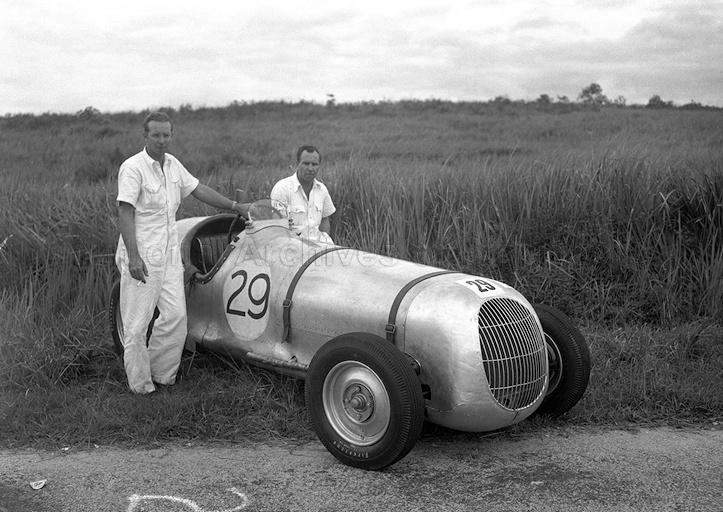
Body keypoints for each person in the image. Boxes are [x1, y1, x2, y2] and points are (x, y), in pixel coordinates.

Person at [115, 111, 248, 394]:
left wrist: (235, 206)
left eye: (166, 135)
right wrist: (134, 257)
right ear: (145, 135)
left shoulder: (173, 165)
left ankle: (161, 375)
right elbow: (125, 214)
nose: (162, 140)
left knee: (176, 317)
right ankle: (140, 387)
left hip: (169, 251)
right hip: (142, 251)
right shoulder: (133, 167)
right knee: (137, 323)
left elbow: (199, 190)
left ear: (171, 135)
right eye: (156, 135)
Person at [270, 145, 336, 243]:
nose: (310, 168)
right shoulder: (282, 188)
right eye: (306, 163)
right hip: (293, 247)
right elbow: (278, 228)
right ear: (297, 164)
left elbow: (324, 219)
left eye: (314, 164)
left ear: (319, 166)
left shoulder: (322, 189)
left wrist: (325, 242)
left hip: (320, 247)